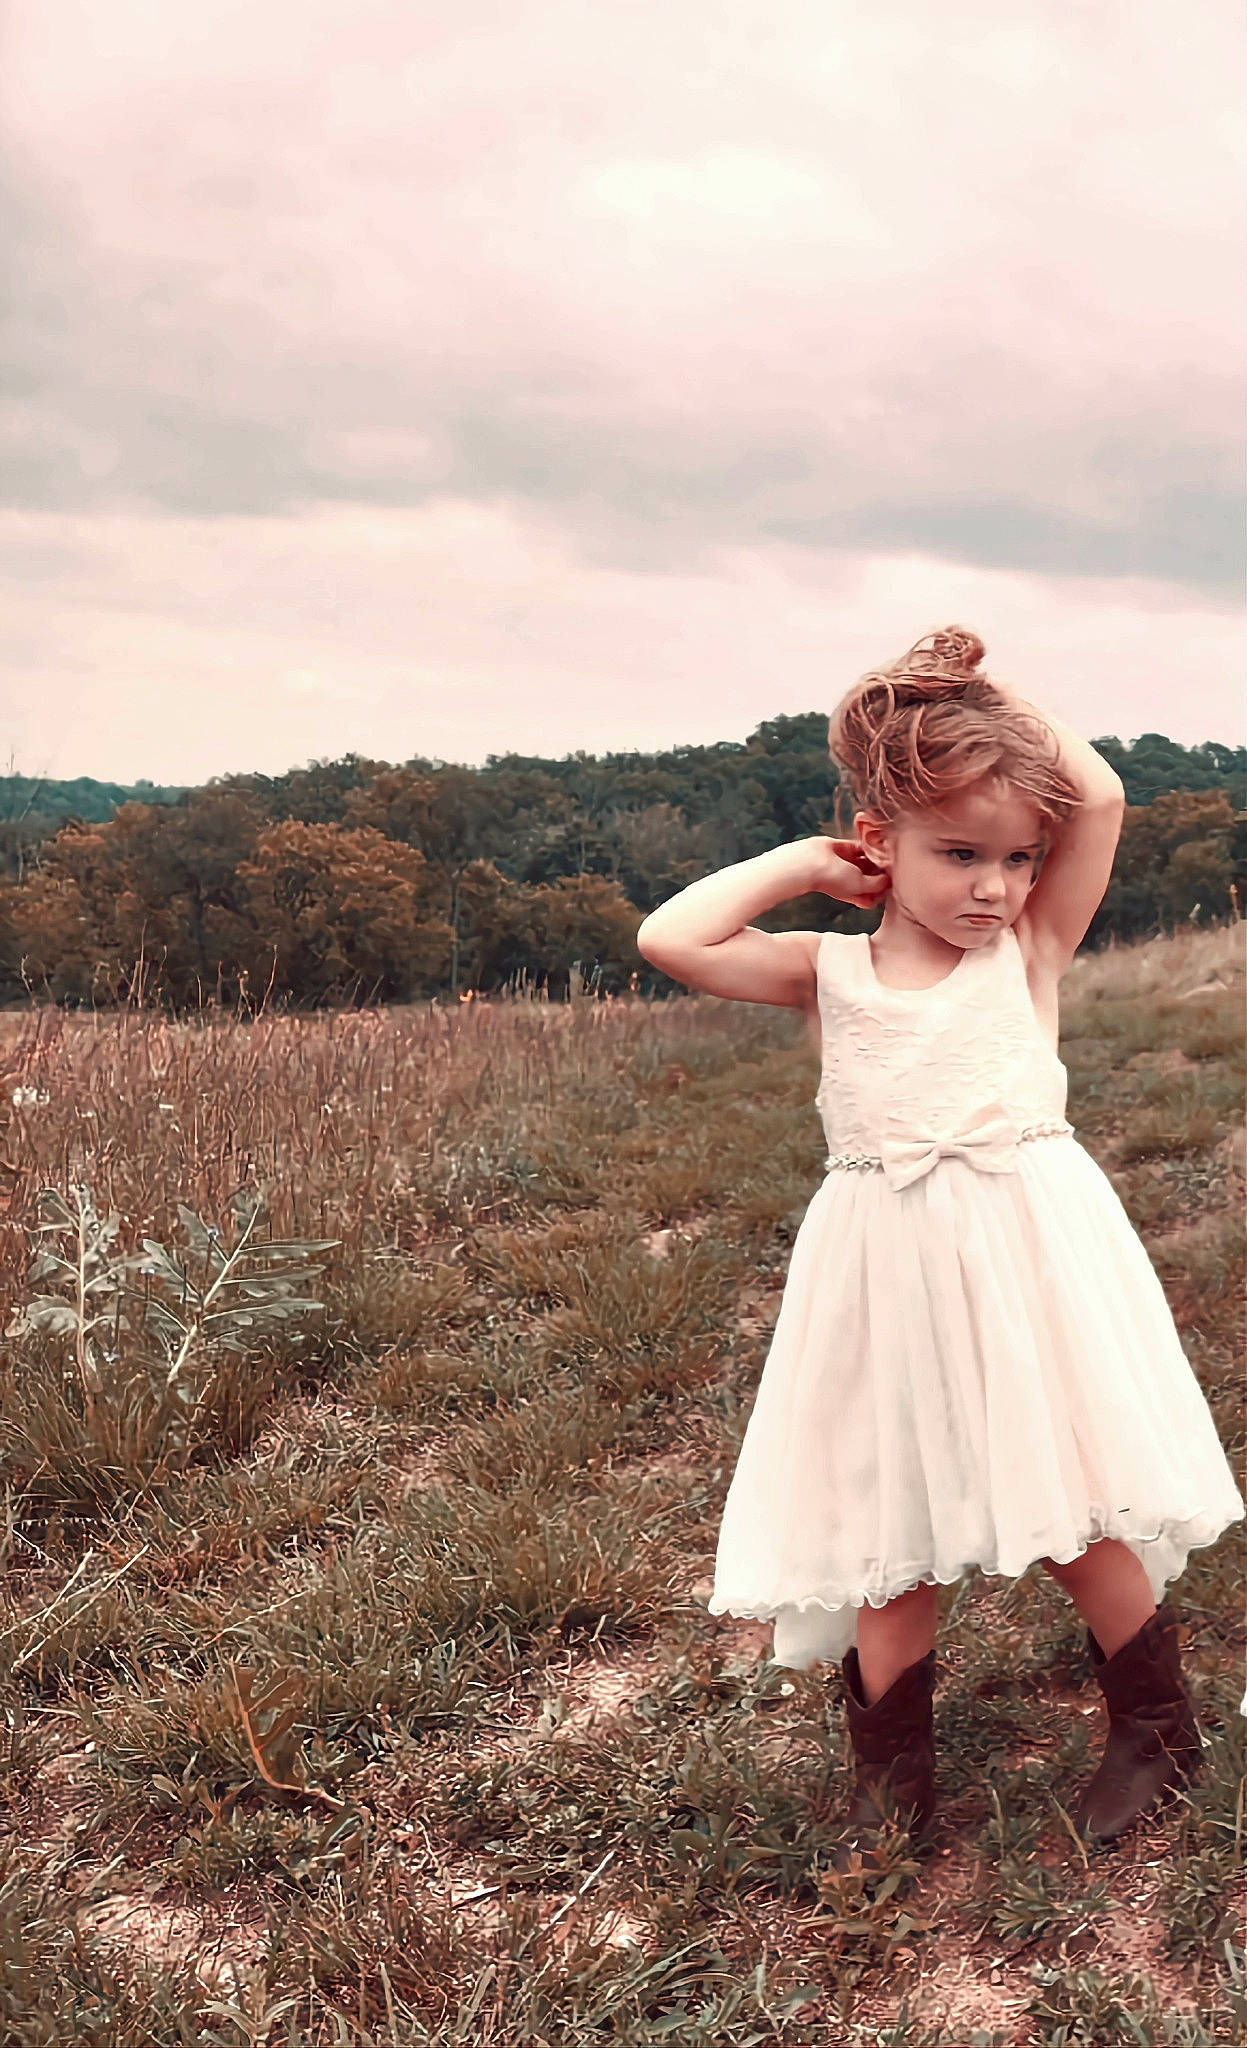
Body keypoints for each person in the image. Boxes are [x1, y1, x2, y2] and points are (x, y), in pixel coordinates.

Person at [635, 625, 1245, 1877]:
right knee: (889, 1512)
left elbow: (1107, 793)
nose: (993, 886)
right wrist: (804, 862)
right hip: (884, 1272)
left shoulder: (1027, 958)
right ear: (880, 843)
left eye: (1016, 858)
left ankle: (1155, 1726)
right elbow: (671, 938)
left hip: (1024, 1255)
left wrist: (960, 695)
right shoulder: (830, 969)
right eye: (957, 853)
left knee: (1071, 1499)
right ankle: (889, 1775)